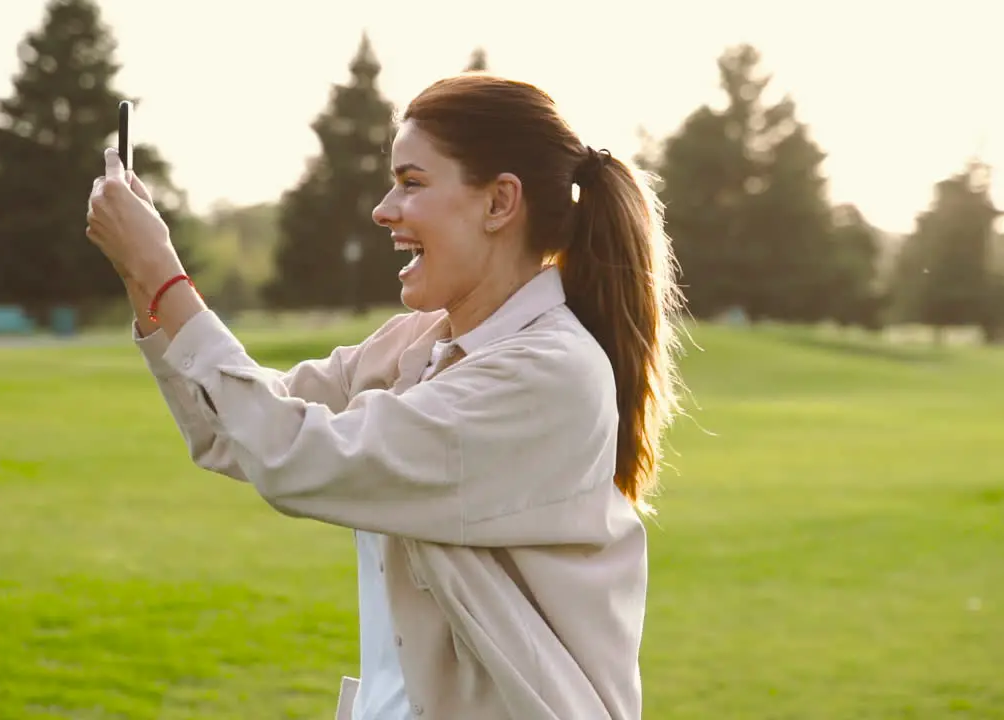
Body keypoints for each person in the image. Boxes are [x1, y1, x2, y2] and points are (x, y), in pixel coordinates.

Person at [85, 73, 686, 720]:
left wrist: (162, 271)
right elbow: (230, 428)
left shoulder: (548, 374)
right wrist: (142, 281)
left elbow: (296, 457)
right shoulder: (417, 343)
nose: (383, 208)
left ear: (499, 203)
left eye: (413, 182)